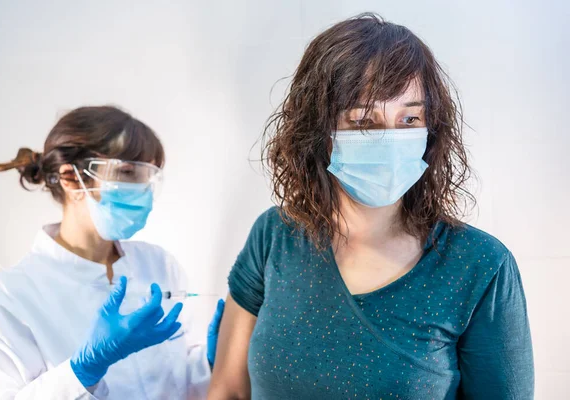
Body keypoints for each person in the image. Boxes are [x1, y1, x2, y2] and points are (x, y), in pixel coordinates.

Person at [209, 13, 534, 400]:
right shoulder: (274, 236)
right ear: (318, 131)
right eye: (364, 121)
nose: (390, 140)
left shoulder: (479, 265)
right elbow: (227, 391)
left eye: (409, 118)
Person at [0, 105, 224, 399]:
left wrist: (211, 362)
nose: (143, 191)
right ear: (71, 179)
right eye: (128, 172)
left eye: (148, 177)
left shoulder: (159, 264)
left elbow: (178, 383)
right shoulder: (6, 300)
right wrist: (82, 372)